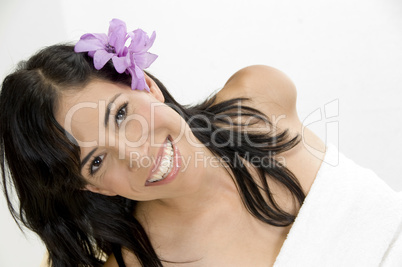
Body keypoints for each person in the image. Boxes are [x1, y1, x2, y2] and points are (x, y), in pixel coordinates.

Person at [1, 19, 401, 267]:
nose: (138, 155)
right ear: (92, 186)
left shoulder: (261, 96)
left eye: (122, 114)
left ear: (147, 86)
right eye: (97, 161)